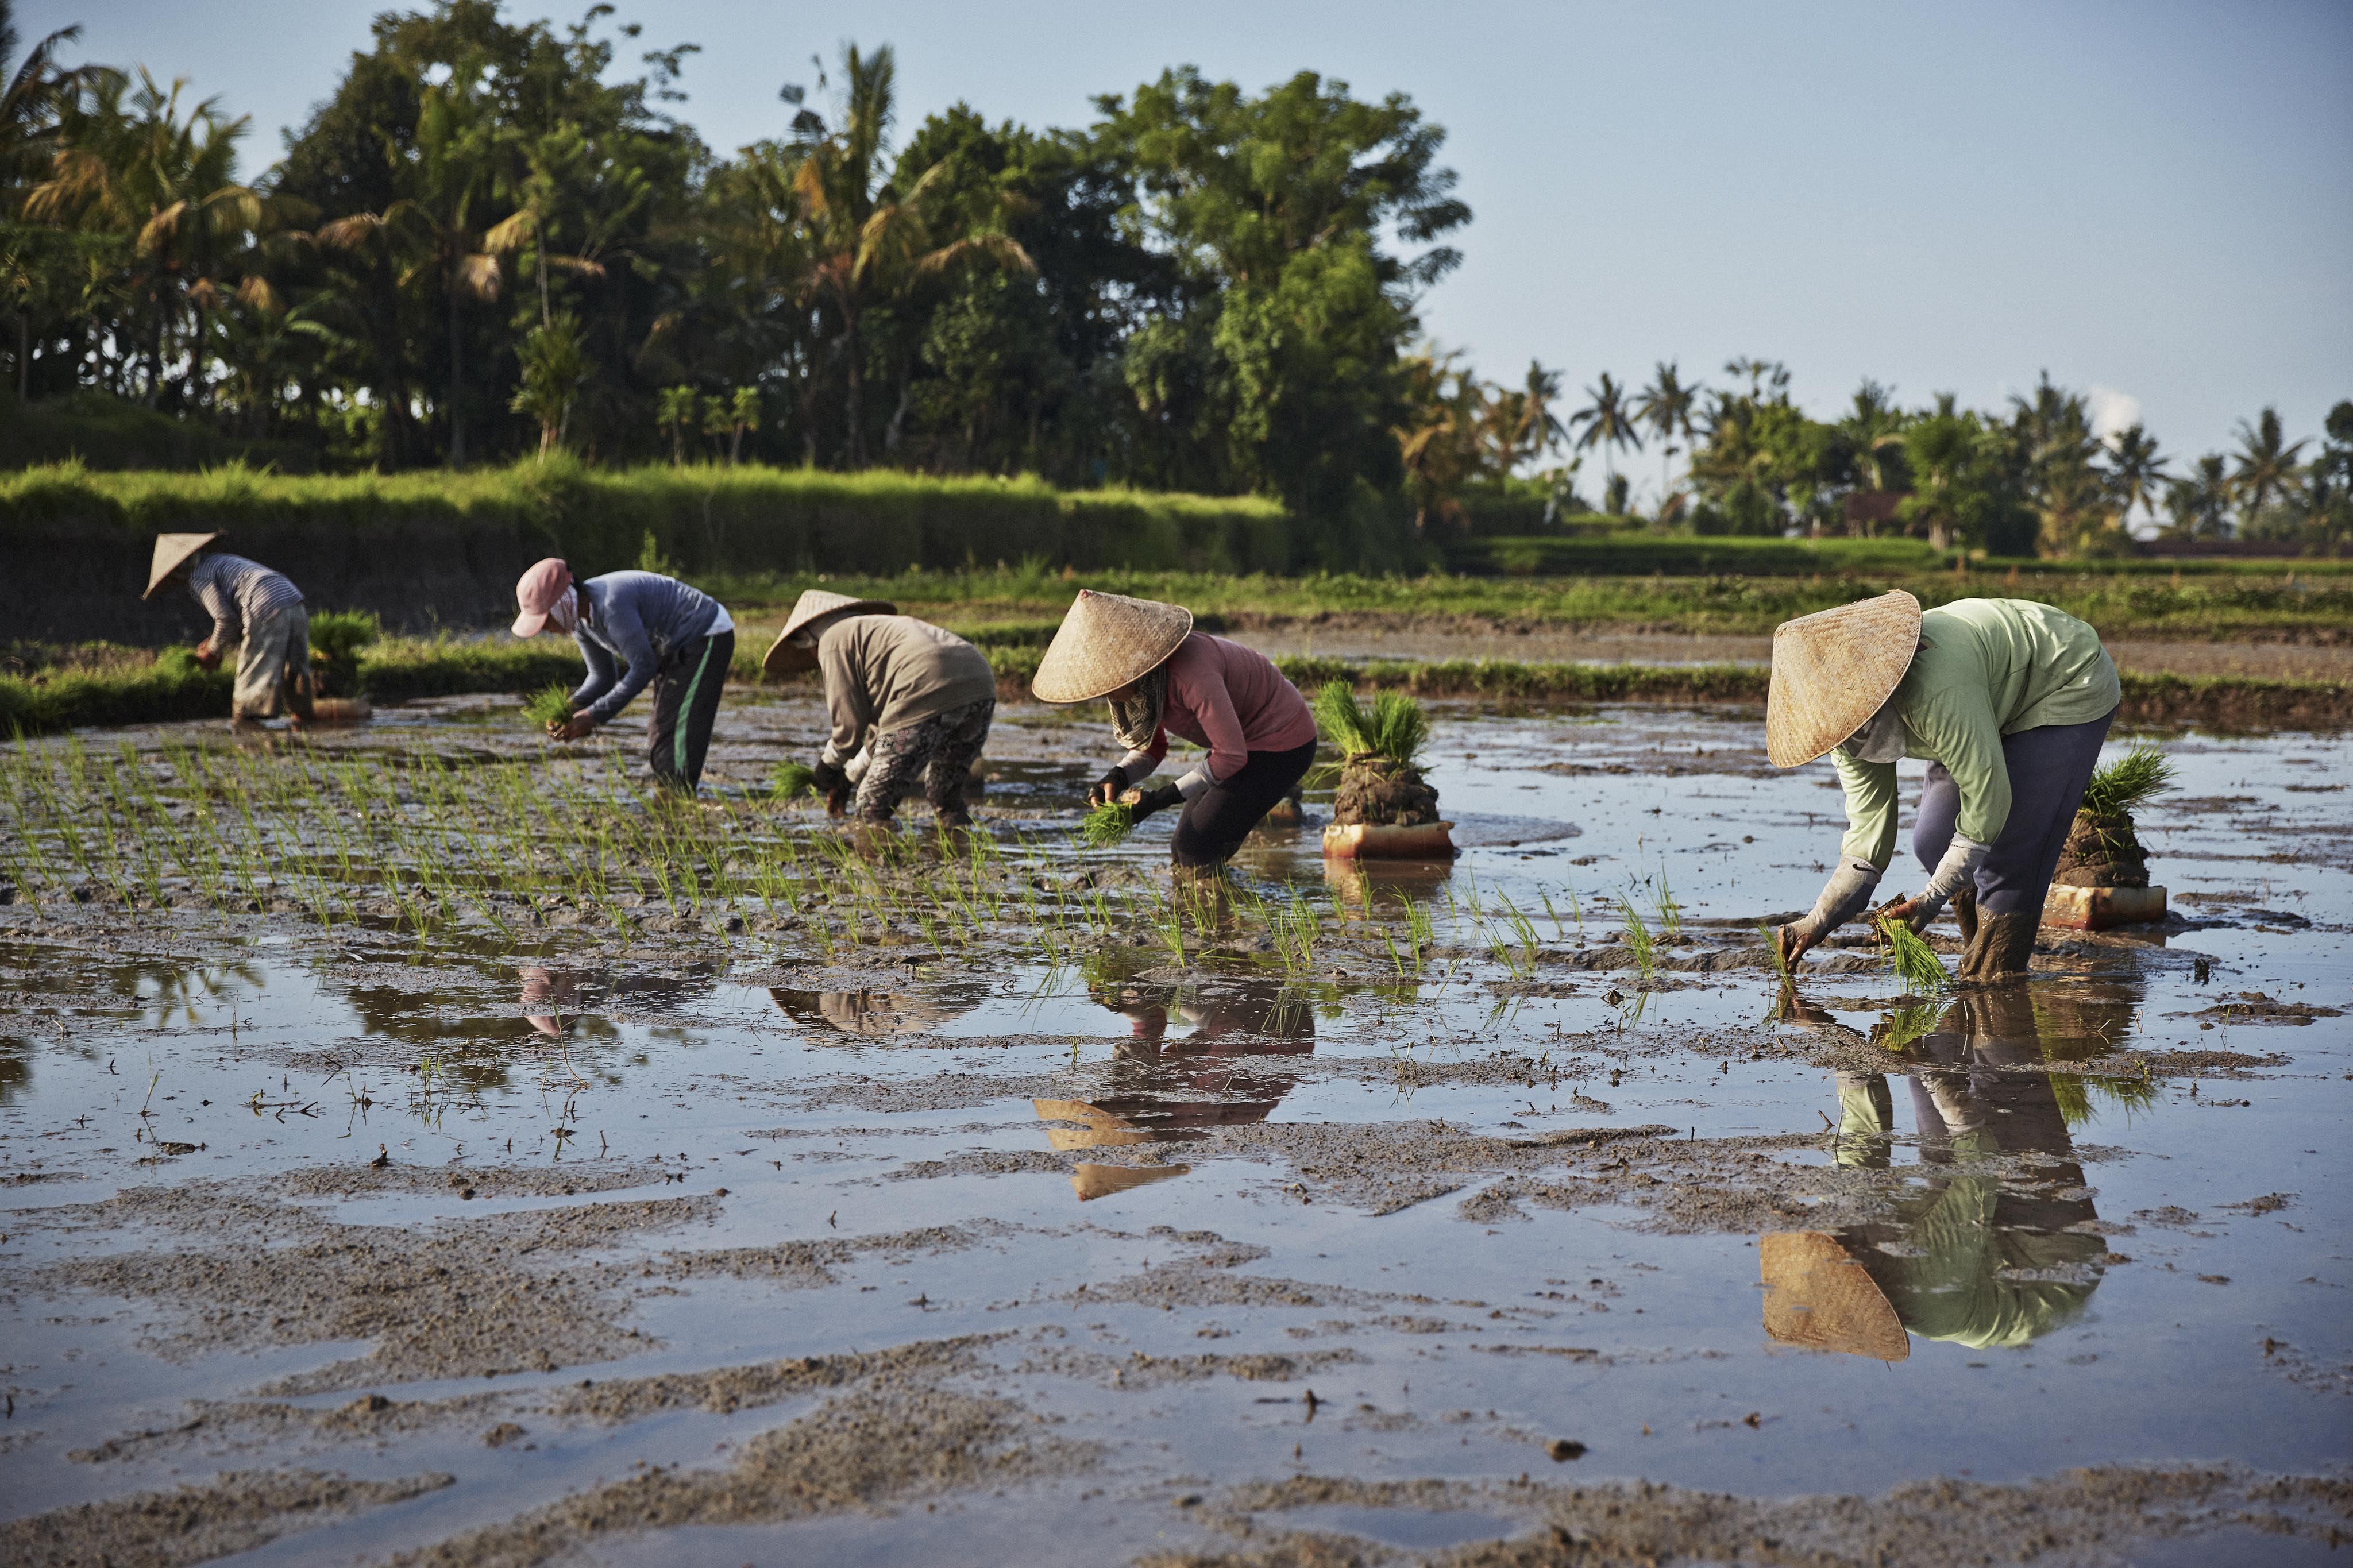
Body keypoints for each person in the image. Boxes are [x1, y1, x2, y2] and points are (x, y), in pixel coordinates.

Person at [1767, 590, 2120, 981]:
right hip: (1985, 694)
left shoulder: (1933, 688)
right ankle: (1980, 950)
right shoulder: (1840, 730)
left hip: (2063, 678)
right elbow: (1868, 836)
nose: (1847, 736)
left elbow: (1988, 802)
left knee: (2010, 857)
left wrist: (1930, 900)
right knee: (1934, 840)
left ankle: (1999, 975)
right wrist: (1816, 921)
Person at [1033, 589, 1317, 872]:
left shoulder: (1192, 673)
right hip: (1238, 744)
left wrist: (1158, 800)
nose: (1106, 693)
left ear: (1132, 668)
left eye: (1109, 683)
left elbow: (1230, 757)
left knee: (1197, 847)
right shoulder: (1146, 687)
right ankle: (1203, 911)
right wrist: (1118, 776)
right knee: (1182, 850)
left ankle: (1222, 911)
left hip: (1281, 744)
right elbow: (1153, 748)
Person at [762, 589, 997, 828]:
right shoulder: (874, 635)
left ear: (807, 640)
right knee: (944, 795)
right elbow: (884, 736)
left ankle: (879, 861)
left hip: (924, 691)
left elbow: (849, 727)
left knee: (871, 806)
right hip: (979, 686)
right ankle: (959, 849)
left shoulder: (833, 641)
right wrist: (848, 778)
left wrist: (827, 767)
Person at [511, 558, 735, 795]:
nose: (545, 629)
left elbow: (643, 668)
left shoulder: (610, 606)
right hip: (670, 648)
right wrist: (571, 708)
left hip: (704, 634)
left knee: (676, 732)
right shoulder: (581, 623)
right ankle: (674, 797)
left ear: (562, 603)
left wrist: (593, 716)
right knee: (660, 731)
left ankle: (679, 803)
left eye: (546, 620)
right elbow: (603, 677)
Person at [142, 532, 314, 727]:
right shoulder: (219, 561)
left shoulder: (198, 576)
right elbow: (233, 617)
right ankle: (304, 722)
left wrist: (212, 651)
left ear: (176, 571)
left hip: (264, 605)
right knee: (296, 671)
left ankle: (249, 737)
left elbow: (225, 619)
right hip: (293, 599)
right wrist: (215, 643)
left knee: (247, 700)